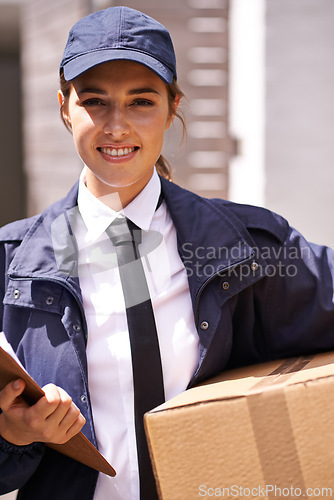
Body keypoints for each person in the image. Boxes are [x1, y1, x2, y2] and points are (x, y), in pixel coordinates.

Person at [0, 5, 334, 500]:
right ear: (64, 107)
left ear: (173, 105)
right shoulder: (12, 265)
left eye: (141, 102)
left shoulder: (245, 245)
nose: (117, 126)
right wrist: (16, 435)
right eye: (95, 101)